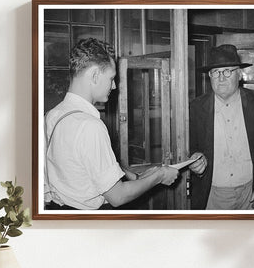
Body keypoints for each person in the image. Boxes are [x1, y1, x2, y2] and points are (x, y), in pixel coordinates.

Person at [44, 38, 179, 210]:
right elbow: (118, 196)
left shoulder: (52, 115)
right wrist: (160, 175)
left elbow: (81, 163)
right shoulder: (90, 126)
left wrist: (129, 174)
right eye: (111, 78)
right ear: (94, 75)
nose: (114, 86)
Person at [189, 44, 254, 210]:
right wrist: (195, 159)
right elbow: (188, 148)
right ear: (209, 77)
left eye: (227, 71)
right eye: (215, 72)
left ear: (240, 74)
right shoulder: (196, 108)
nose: (221, 78)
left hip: (253, 192)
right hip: (212, 195)